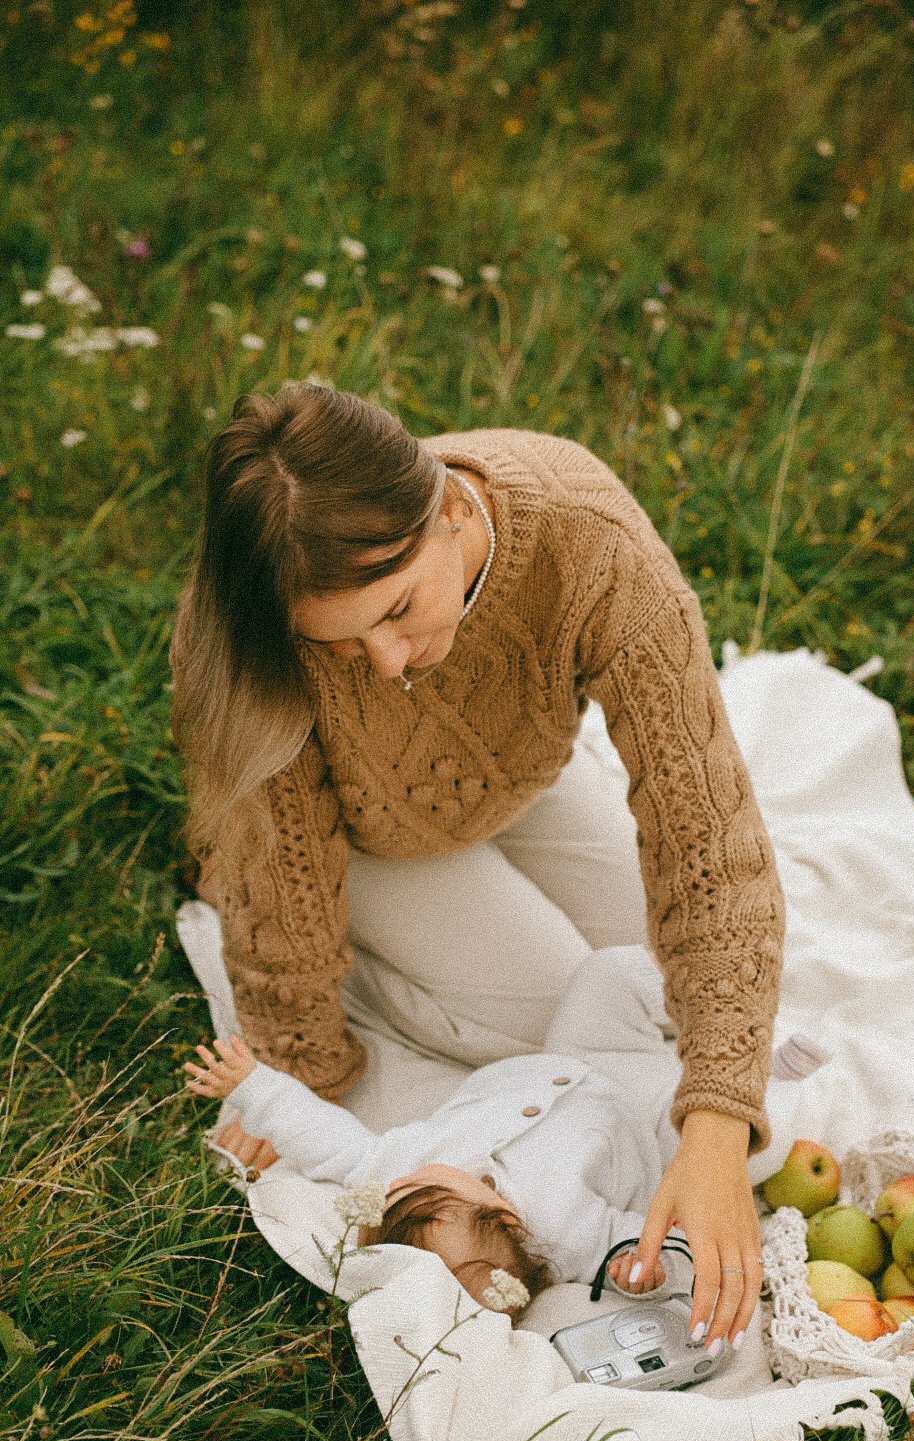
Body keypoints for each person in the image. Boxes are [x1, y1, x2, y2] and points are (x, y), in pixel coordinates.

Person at [170, 383, 785, 1351]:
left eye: (402, 610)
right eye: (343, 640)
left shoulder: (587, 539)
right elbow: (281, 860)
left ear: (453, 509)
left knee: (673, 984)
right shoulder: (261, 606)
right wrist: (297, 1059)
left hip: (520, 781)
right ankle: (362, 955)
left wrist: (717, 1128)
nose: (385, 661)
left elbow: (708, 841)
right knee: (556, 1042)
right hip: (366, 846)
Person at [186, 946, 790, 1352]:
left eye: (401, 1191)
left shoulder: (400, 1176)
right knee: (750, 1141)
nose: (407, 1176)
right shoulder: (569, 1234)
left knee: (608, 972)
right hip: (645, 1118)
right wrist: (644, 1273)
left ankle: (725, 1000)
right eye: (429, 1188)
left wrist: (255, 1087)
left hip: (574, 1057)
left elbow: (326, 1140)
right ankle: (771, 1072)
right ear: (499, 1213)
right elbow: (665, 1234)